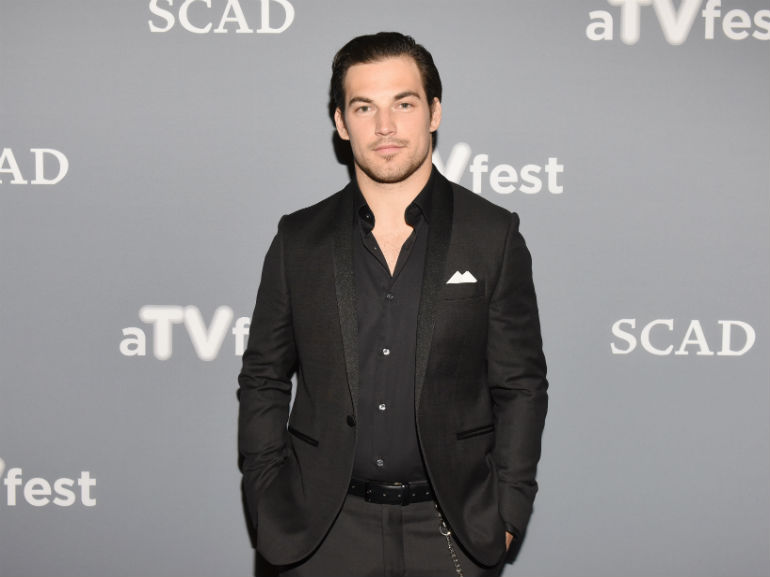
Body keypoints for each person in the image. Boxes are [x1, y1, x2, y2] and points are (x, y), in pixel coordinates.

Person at [238, 31, 548, 577]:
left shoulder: (491, 235)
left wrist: (508, 509)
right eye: (364, 107)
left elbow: (520, 384)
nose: (385, 126)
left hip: (452, 528)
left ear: (434, 112)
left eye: (403, 104)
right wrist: (266, 497)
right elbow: (264, 376)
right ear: (341, 123)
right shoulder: (298, 240)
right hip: (318, 533)